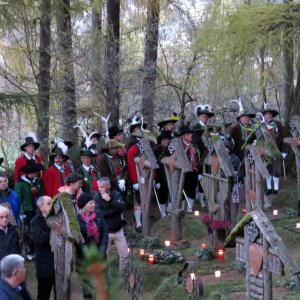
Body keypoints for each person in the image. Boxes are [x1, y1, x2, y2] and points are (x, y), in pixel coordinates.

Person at [94, 177, 128, 273]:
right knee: (104, 257)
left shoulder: (115, 194)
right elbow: (99, 214)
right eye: (99, 187)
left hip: (118, 230)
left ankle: (123, 277)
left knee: (125, 255)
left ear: (109, 186)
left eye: (102, 187)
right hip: (105, 233)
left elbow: (122, 206)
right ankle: (107, 280)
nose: (100, 189)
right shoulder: (96, 197)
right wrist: (114, 210)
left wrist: (110, 201)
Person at [15, 160, 44, 258]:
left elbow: (41, 195)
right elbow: (18, 199)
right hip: (27, 211)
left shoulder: (38, 181)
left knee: (39, 228)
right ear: (32, 172)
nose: (38, 173)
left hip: (38, 209)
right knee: (29, 231)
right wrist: (21, 212)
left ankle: (38, 249)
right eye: (37, 171)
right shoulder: (20, 183)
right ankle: (30, 251)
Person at [30, 196, 56, 300]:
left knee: (60, 293)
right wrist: (55, 231)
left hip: (59, 263)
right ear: (41, 207)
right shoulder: (35, 221)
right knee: (44, 294)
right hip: (44, 265)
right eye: (49, 203)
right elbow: (40, 238)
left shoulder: (56, 217)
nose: (52, 205)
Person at [262, 103, 284, 195]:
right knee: (267, 170)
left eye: (270, 114)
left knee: (276, 170)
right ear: (264, 116)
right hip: (265, 151)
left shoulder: (278, 124)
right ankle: (269, 188)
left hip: (276, 150)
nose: (269, 115)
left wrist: (283, 151)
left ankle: (276, 188)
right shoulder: (261, 126)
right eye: (267, 114)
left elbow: (282, 138)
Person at [178, 125, 201, 213]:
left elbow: (197, 157)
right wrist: (186, 149)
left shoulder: (193, 145)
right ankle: (183, 207)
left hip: (193, 170)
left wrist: (198, 171)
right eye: (188, 134)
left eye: (190, 134)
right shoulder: (179, 145)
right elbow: (179, 157)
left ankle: (189, 208)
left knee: (192, 189)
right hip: (183, 171)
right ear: (183, 136)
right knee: (183, 188)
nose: (191, 135)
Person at [154, 130, 174, 217]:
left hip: (172, 175)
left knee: (172, 193)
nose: (166, 141)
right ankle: (162, 213)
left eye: (168, 140)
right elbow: (155, 166)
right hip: (161, 176)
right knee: (162, 195)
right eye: (164, 140)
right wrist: (156, 180)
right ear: (161, 140)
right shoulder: (156, 150)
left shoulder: (172, 149)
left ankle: (169, 210)